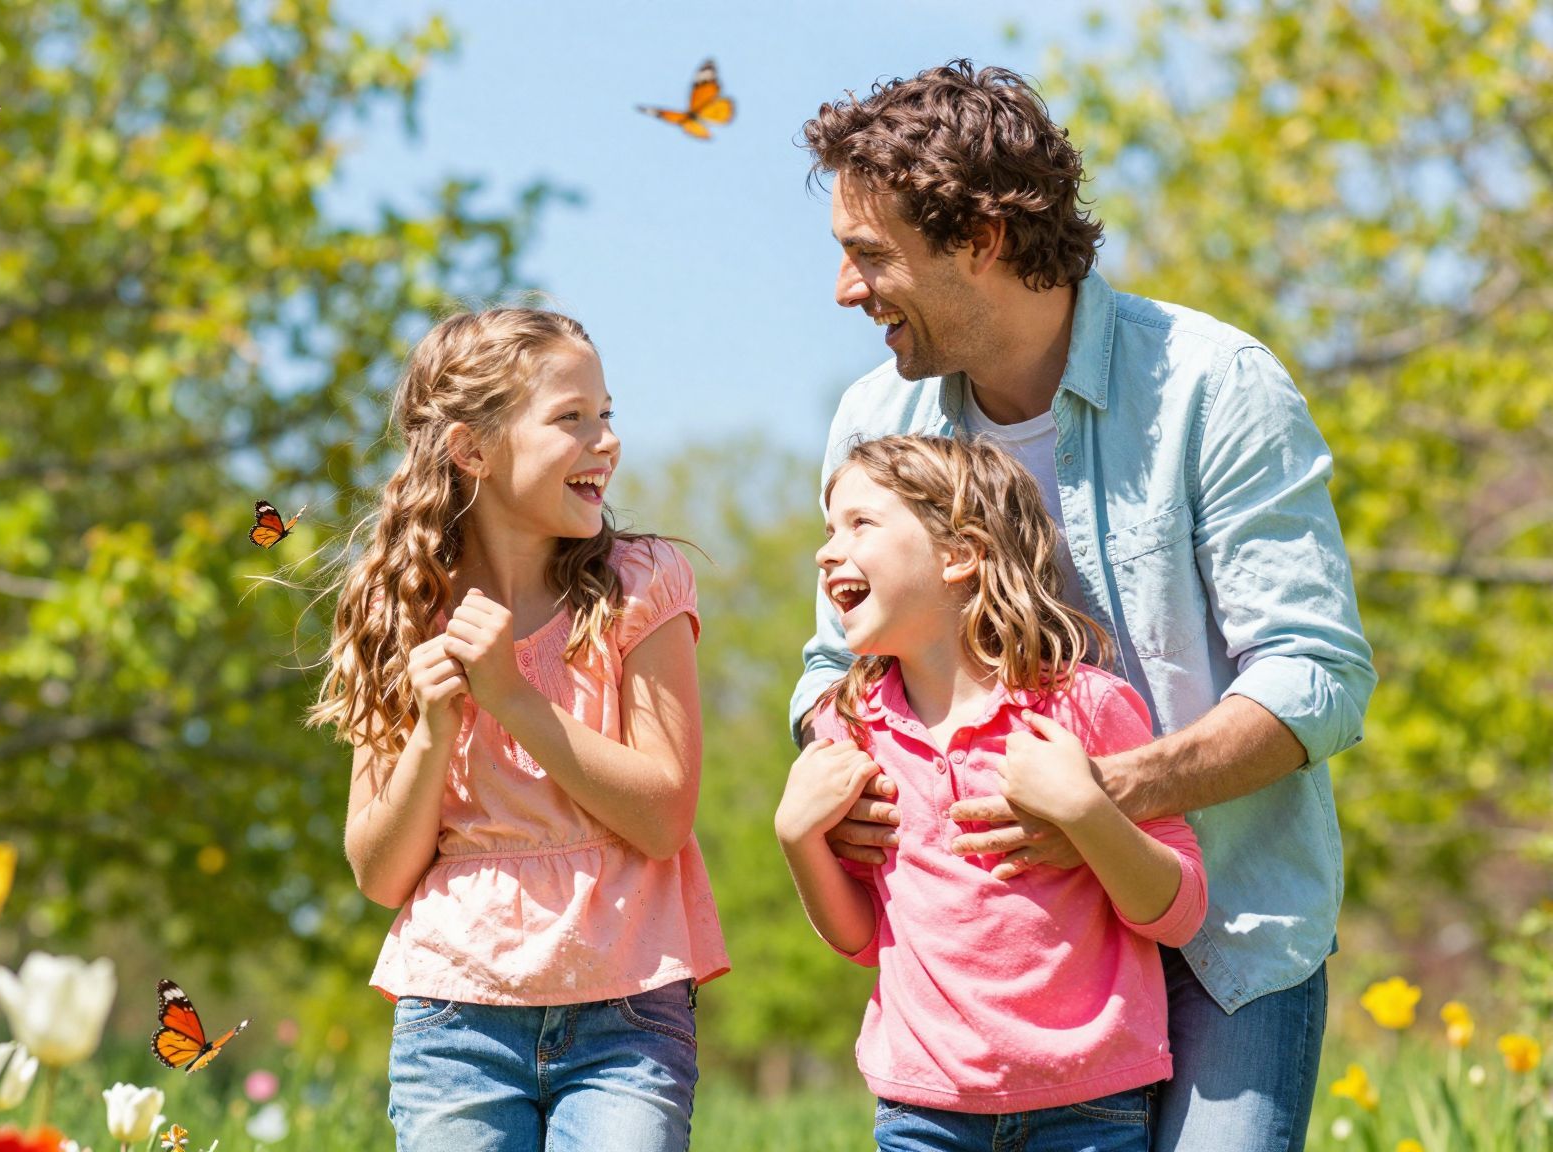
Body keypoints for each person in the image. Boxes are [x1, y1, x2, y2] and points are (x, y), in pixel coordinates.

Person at [792, 62, 1374, 1151]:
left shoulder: (1213, 385)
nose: (842, 288)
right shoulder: (874, 418)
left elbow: (1315, 678)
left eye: (870, 255)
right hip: (1002, 985)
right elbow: (832, 668)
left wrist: (1101, 800)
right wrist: (834, 766)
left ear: (981, 238)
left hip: (1223, 946)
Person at [311, 307, 728, 1152]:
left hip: (625, 1016)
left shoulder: (639, 584)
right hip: (455, 1021)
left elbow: (662, 817)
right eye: (571, 419)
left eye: (606, 414)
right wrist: (433, 732)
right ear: (472, 448)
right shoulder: (399, 608)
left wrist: (512, 697)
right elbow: (381, 872)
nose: (604, 440)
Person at [779, 433, 1207, 1150]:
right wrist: (797, 839)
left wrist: (1085, 810)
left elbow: (1180, 911)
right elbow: (861, 940)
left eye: (861, 525)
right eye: (828, 530)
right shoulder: (849, 728)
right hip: (923, 1110)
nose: (826, 551)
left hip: (1089, 1109)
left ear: (958, 554)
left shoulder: (1084, 708)